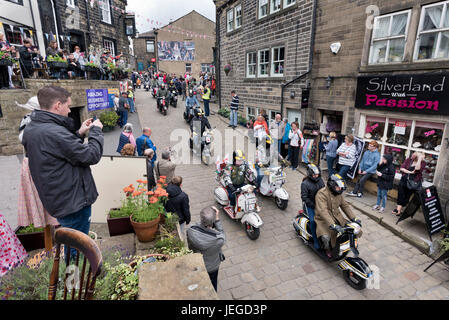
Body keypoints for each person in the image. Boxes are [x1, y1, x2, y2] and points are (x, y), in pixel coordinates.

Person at [22, 85, 104, 241]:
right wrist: (96, 132)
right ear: (58, 105)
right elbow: (90, 155)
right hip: (72, 202)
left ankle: (73, 262)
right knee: (78, 246)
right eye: (68, 106)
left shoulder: (34, 128)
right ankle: (75, 266)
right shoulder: (54, 132)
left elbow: (60, 150)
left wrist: (79, 133)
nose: (69, 111)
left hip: (60, 198)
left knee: (71, 242)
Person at [315, 174, 362, 258]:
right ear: (332, 185)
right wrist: (332, 224)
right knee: (326, 237)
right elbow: (323, 211)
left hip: (337, 217)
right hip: (323, 220)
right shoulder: (321, 194)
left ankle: (348, 245)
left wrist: (353, 218)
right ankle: (328, 249)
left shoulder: (338, 193)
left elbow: (345, 206)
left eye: (341, 187)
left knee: (352, 230)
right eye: (338, 187)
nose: (340, 189)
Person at [186, 206, 225, 292]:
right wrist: (217, 220)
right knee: (213, 282)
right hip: (212, 266)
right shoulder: (218, 240)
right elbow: (222, 235)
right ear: (213, 222)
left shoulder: (191, 230)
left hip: (198, 263)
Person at [300, 164, 325, 249]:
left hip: (321, 204)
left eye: (317, 175)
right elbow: (304, 198)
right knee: (313, 221)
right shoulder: (305, 184)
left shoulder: (321, 180)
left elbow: (324, 192)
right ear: (310, 174)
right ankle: (315, 240)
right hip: (310, 205)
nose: (316, 176)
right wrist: (314, 206)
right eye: (314, 175)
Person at [393, 152, 426, 216]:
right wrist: (410, 172)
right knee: (401, 194)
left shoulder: (423, 163)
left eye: (413, 155)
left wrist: (419, 159)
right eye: (412, 154)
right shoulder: (409, 160)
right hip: (404, 179)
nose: (411, 156)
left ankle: (400, 208)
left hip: (413, 182)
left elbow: (417, 169)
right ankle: (398, 210)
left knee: (407, 196)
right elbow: (402, 168)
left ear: (417, 157)